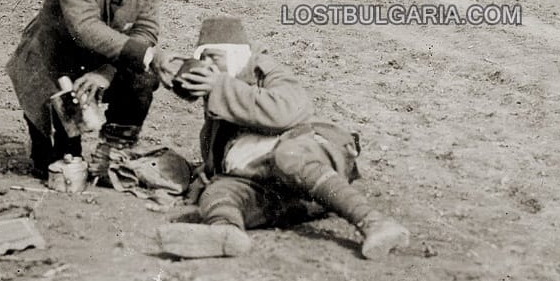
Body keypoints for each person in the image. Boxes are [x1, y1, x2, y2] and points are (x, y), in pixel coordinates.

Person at [155, 17, 410, 260]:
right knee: (219, 190)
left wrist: (219, 86)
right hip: (275, 189)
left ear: (235, 56)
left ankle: (375, 222)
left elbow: (286, 111)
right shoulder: (221, 87)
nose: (209, 65)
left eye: (214, 57)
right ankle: (224, 232)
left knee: (288, 156)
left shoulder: (265, 70)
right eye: (203, 58)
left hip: (307, 165)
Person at [6, 0, 177, 179]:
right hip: (51, 65)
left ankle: (112, 152)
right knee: (55, 165)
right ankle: (47, 142)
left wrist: (107, 72)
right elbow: (85, 28)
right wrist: (149, 55)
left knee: (143, 77)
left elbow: (145, 29)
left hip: (99, 62)